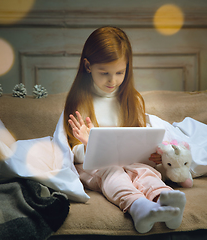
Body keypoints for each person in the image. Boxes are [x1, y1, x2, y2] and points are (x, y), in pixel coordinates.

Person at [63, 26, 186, 234]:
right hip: (92, 168)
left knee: (145, 171)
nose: (113, 81)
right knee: (112, 170)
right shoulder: (80, 101)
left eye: (120, 72)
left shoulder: (133, 99)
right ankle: (138, 206)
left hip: (130, 163)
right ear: (88, 66)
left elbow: (136, 139)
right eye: (105, 73)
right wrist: (88, 143)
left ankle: (164, 201)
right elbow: (72, 153)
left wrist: (152, 155)